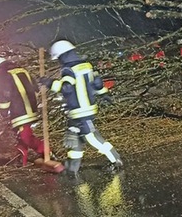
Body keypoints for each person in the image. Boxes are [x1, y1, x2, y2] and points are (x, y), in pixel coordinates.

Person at [44, 40, 123, 176]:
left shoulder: (68, 70)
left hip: (80, 111)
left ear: (63, 55)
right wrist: (104, 94)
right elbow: (97, 83)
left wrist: (49, 83)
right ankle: (72, 167)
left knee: (91, 137)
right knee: (74, 137)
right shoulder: (86, 65)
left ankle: (116, 160)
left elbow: (66, 88)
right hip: (85, 109)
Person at [0, 57, 50, 167]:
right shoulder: (22, 70)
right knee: (21, 135)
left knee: (25, 136)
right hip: (31, 108)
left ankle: (46, 151)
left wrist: (4, 112)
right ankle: (21, 159)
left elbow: (4, 95)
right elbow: (35, 89)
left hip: (19, 112)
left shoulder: (3, 75)